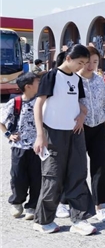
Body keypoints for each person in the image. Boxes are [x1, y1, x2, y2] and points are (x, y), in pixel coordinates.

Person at [32, 44, 97, 236]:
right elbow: (38, 105)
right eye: (80, 62)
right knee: (53, 176)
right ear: (68, 58)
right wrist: (40, 135)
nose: (82, 67)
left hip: (75, 133)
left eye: (85, 63)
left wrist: (82, 116)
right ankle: (43, 220)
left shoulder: (77, 79)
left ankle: (79, 219)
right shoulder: (51, 76)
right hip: (53, 132)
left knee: (78, 173)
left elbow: (81, 105)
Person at [78, 47, 105, 223]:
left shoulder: (99, 81)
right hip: (79, 129)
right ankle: (74, 204)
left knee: (100, 167)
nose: (91, 65)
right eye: (88, 62)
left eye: (95, 62)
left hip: (98, 127)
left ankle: (99, 206)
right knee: (77, 168)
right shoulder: (74, 80)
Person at [0, 72, 41, 220]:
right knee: (18, 177)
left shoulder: (41, 101)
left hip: (37, 147)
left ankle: (32, 206)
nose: (40, 84)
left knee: (37, 178)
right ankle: (17, 202)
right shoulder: (15, 102)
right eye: (37, 81)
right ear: (28, 86)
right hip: (19, 147)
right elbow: (1, 121)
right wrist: (8, 135)